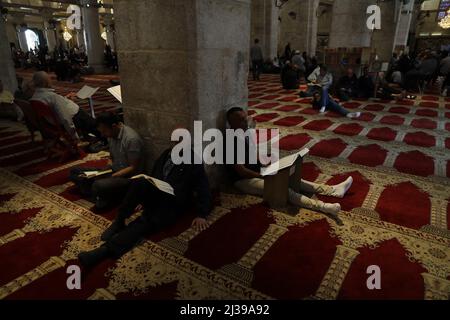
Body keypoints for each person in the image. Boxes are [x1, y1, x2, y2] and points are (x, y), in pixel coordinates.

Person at [77, 147, 212, 268]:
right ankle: (120, 220)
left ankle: (104, 251)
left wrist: (202, 214)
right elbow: (153, 176)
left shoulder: (193, 160)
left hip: (172, 202)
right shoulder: (166, 154)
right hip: (158, 192)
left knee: (145, 221)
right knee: (140, 182)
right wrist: (143, 197)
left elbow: (203, 187)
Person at [226, 107, 354, 219]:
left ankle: (332, 191)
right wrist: (264, 175)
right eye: (242, 120)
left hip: (258, 172)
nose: (246, 121)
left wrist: (267, 166)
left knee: (290, 177)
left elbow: (254, 153)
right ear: (232, 123)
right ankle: (323, 206)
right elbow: (241, 171)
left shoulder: (246, 134)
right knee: (281, 188)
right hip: (243, 180)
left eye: (245, 118)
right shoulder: (229, 142)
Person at [69, 112, 144, 209]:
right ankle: (98, 194)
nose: (102, 135)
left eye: (104, 131)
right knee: (74, 171)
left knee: (98, 185)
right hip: (113, 171)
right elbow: (111, 157)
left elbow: (134, 168)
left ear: (114, 126)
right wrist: (106, 168)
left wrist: (113, 176)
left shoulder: (131, 139)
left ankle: (97, 192)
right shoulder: (111, 135)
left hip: (127, 177)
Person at [31, 71, 99, 141]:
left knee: (89, 121)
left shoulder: (35, 96)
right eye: (49, 79)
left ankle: (88, 136)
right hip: (76, 117)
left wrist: (65, 98)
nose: (51, 81)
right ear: (46, 82)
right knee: (95, 125)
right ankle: (104, 139)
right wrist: (75, 137)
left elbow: (54, 104)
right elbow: (66, 119)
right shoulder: (53, 96)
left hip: (53, 121)